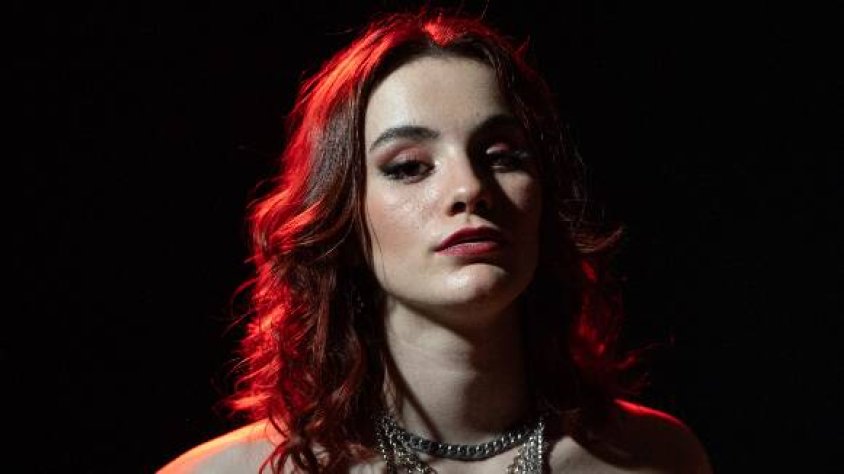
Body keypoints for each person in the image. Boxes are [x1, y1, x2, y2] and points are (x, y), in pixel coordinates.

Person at [159, 10, 712, 474]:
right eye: (409, 166)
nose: (470, 188)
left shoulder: (657, 458)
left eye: (502, 157)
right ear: (340, 222)